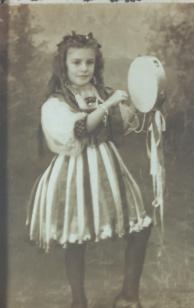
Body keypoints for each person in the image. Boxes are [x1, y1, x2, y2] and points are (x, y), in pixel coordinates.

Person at [26, 32, 151, 308]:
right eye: (77, 63)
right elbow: (80, 130)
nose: (84, 68)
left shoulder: (101, 93)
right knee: (75, 235)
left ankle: (128, 295)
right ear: (64, 66)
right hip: (74, 171)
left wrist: (147, 106)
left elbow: (122, 126)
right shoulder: (56, 102)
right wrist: (108, 105)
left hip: (107, 166)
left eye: (89, 63)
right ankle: (78, 301)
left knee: (140, 228)